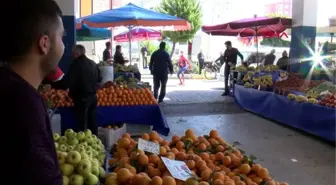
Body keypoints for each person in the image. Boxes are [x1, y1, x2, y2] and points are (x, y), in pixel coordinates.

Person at [0, 0, 64, 184]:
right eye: (61, 37)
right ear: (44, 43)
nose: (63, 46)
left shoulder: (8, 87)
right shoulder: (25, 106)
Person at [67, 44, 101, 135]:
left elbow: (69, 81)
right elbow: (99, 79)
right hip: (93, 97)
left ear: (77, 53)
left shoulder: (76, 64)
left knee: (82, 125)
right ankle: (94, 141)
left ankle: (84, 144)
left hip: (81, 98)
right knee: (93, 122)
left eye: (73, 53)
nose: (72, 55)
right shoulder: (93, 63)